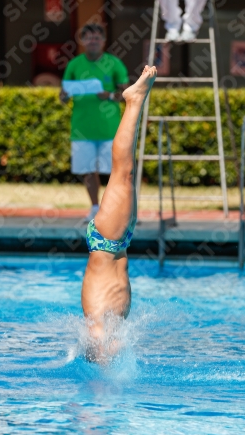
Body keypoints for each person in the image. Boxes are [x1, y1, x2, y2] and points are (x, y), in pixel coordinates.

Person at [81, 65, 157, 365]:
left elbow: (98, 349)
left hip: (107, 239)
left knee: (123, 171)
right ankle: (135, 101)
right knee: (127, 172)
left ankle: (134, 99)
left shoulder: (98, 333)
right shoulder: (109, 331)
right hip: (118, 242)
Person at [60, 24, 129, 222]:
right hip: (82, 129)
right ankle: (95, 208)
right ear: (82, 41)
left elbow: (126, 95)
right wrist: (64, 96)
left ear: (103, 41)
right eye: (88, 38)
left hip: (110, 128)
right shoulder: (74, 65)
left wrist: (109, 96)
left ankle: (116, 210)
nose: (93, 41)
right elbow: (63, 95)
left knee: (115, 172)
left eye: (97, 38)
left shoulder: (114, 63)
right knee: (88, 172)